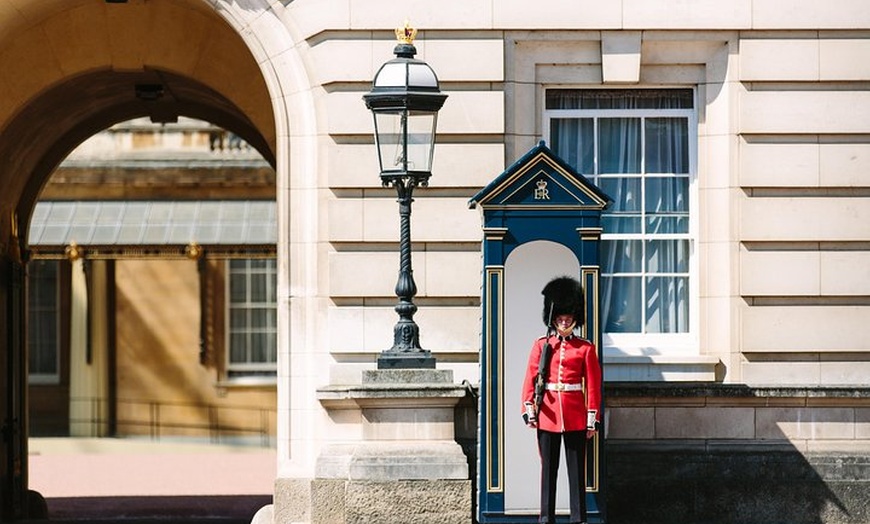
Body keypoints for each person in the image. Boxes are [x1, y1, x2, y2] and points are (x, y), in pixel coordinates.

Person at [521, 276, 602, 524]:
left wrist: (592, 419)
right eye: (560, 318)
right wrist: (529, 409)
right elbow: (531, 377)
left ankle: (578, 519)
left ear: (575, 319)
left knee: (576, 472)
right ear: (553, 319)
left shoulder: (585, 348)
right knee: (549, 471)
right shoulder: (542, 345)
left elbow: (594, 385)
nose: (564, 322)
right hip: (548, 414)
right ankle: (546, 518)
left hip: (576, 415)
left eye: (568, 318)